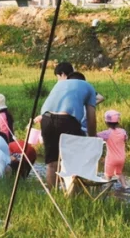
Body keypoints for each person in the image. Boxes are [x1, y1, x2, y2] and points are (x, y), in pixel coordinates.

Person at [39, 61, 101, 190]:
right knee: (75, 160)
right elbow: (91, 117)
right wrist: (92, 138)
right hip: (66, 119)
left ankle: (52, 195)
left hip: (46, 119)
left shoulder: (59, 85)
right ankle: (74, 194)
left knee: (52, 162)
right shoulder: (89, 87)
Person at [99, 109, 128, 186]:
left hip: (111, 159)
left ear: (106, 123)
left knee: (108, 175)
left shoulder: (106, 133)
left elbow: (94, 136)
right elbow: (126, 138)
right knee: (119, 173)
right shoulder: (123, 131)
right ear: (118, 122)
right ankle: (125, 187)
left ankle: (108, 189)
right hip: (121, 158)